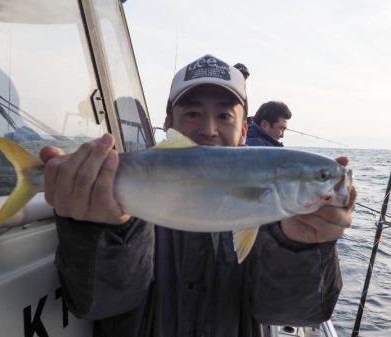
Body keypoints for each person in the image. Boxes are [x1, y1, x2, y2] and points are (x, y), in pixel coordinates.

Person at [40, 54, 356, 337]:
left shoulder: (280, 222)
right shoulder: (126, 204)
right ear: (168, 126)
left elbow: (295, 314)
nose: (208, 128)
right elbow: (98, 303)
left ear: (244, 131)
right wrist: (103, 230)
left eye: (225, 116)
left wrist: (302, 248)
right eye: (192, 113)